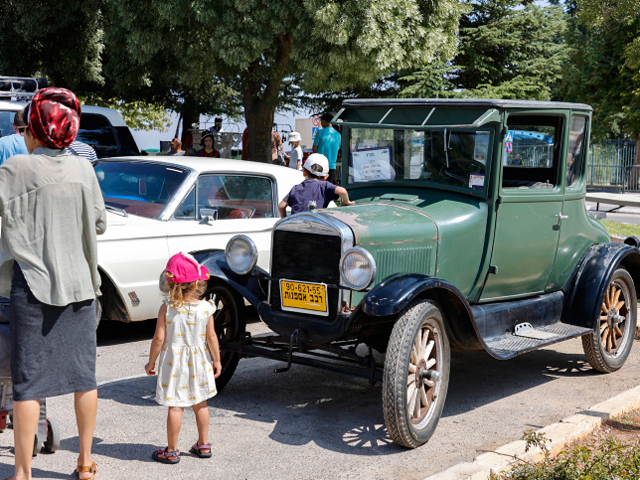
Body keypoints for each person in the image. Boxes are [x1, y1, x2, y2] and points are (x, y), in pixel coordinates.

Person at [0, 88, 106, 480]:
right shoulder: (84, 170)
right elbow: (99, 223)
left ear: (34, 127)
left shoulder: (15, 169)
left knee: (27, 383)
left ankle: (23, 473)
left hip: (32, 288)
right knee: (84, 376)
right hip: (81, 286)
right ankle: (84, 462)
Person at [145, 252, 222, 465]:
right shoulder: (207, 308)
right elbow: (212, 337)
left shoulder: (167, 308)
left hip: (174, 363)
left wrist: (151, 362)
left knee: (176, 406)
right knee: (200, 402)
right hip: (200, 361)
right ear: (197, 283)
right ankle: (203, 444)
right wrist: (217, 360)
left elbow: (159, 339)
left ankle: (171, 450)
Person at [278, 153, 354, 217]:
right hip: (316, 228)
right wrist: (346, 201)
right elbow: (342, 191)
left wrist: (285, 222)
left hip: (296, 228)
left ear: (304, 172)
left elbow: (281, 206)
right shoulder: (324, 186)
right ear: (325, 177)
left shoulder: (296, 188)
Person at [312, 113, 341, 183]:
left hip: (320, 165)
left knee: (319, 187)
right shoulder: (338, 134)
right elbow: (338, 149)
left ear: (324, 121)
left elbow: (314, 148)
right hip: (332, 166)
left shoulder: (320, 132)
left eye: (321, 121)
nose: (321, 123)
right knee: (329, 188)